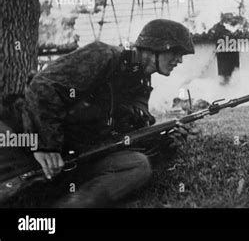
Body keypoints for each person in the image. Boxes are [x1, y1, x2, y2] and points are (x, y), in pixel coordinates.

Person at [1, 19, 196, 207]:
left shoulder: (140, 83)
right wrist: (45, 145)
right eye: (176, 52)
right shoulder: (104, 55)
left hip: (73, 155)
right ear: (155, 46)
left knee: (137, 165)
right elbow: (43, 87)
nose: (179, 60)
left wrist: (165, 142)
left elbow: (126, 136)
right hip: (20, 136)